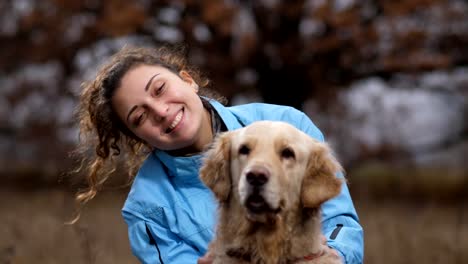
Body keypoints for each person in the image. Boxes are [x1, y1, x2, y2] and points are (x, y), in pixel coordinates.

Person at [73, 45, 364, 264]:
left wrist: (333, 256)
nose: (161, 112)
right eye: (139, 117)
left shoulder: (289, 125)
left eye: (160, 89)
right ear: (137, 137)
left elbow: (340, 223)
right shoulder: (147, 209)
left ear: (188, 80)